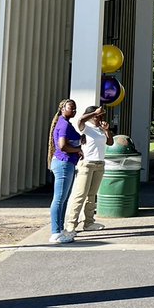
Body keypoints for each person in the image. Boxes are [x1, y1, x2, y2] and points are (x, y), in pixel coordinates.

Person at [46, 99, 94, 244]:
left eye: (75, 109)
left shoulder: (65, 123)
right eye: (70, 108)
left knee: (64, 199)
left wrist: (80, 142)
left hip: (66, 163)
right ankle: (55, 233)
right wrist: (78, 150)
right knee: (59, 199)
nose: (73, 111)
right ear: (62, 109)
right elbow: (62, 146)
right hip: (63, 164)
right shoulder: (64, 124)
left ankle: (61, 231)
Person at [63, 105, 110, 237]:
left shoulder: (100, 129)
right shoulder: (86, 128)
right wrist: (94, 112)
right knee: (80, 194)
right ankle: (71, 224)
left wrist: (107, 131)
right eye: (97, 116)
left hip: (99, 164)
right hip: (87, 164)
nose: (99, 118)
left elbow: (110, 142)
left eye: (100, 116)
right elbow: (80, 121)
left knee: (92, 195)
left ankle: (89, 222)